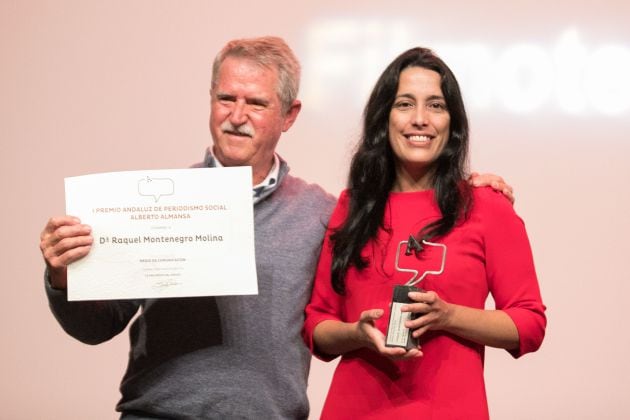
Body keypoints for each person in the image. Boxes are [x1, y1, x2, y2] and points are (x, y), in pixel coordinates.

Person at [40, 37, 515, 419]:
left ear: (289, 115)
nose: (238, 116)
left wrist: (462, 185)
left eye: (257, 103)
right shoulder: (154, 204)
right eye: (226, 98)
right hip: (158, 413)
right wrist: (63, 277)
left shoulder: (324, 213)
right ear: (210, 102)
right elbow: (95, 327)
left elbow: (392, 224)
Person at [303, 47, 546, 419]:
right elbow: (318, 324)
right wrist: (356, 333)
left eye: (435, 105)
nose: (420, 119)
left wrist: (448, 316)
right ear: (384, 119)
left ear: (453, 123)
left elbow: (529, 324)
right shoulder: (353, 206)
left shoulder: (487, 206)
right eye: (404, 104)